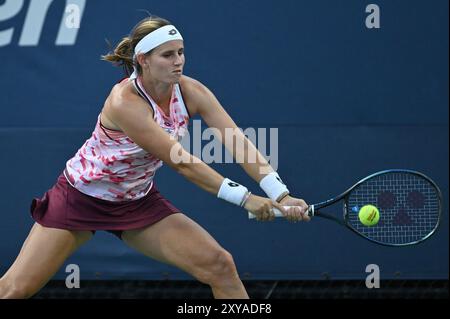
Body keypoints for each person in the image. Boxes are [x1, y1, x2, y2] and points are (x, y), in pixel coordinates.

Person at [0, 16, 310, 299]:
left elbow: (237, 142)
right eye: (168, 55)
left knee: (219, 265)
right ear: (143, 60)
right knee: (15, 290)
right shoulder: (124, 102)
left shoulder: (192, 92)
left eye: (181, 52)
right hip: (80, 197)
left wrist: (279, 193)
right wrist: (245, 199)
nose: (179, 62)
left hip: (136, 201)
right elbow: (182, 162)